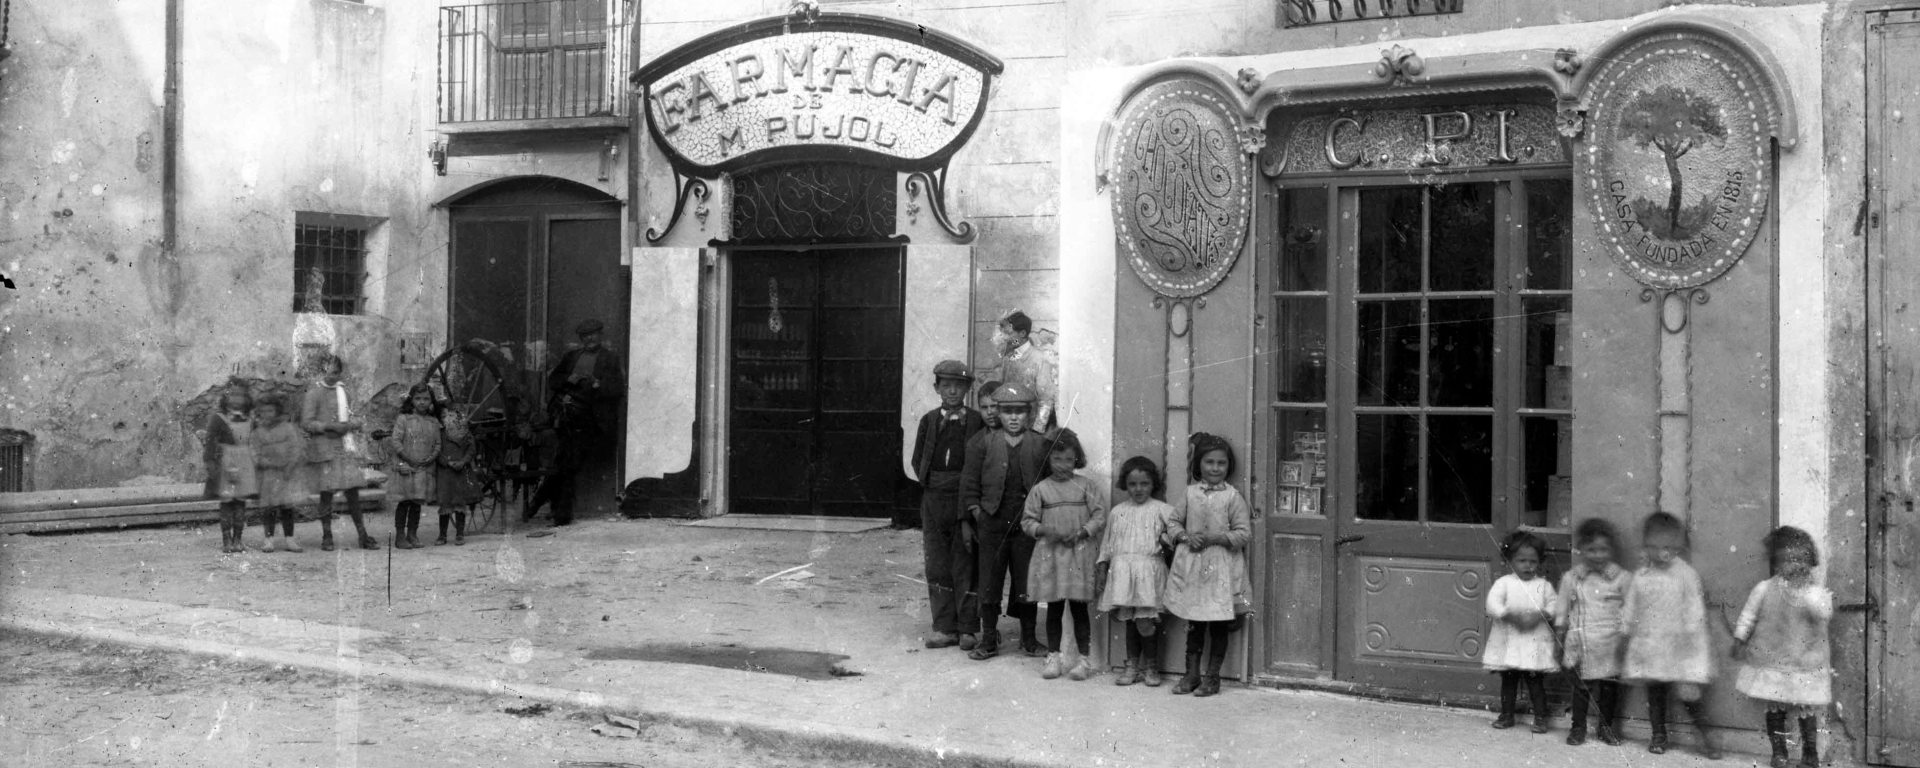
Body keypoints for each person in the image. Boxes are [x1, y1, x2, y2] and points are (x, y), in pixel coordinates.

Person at [960, 381, 1051, 661]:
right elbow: (969, 482)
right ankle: (988, 639)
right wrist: (977, 513)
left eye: (1020, 412)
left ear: (1030, 414)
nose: (1013, 417)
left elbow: (1049, 483)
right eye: (1007, 411)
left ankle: (1028, 638)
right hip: (992, 524)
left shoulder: (1040, 444)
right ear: (997, 413)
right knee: (990, 580)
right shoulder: (981, 443)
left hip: (1026, 526)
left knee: (1027, 581)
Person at [1731, 526, 1833, 768]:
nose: (1797, 566)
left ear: (1811, 562)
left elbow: (1824, 613)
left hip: (1804, 662)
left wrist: (1807, 594)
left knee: (1805, 708)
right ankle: (1779, 753)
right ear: (1777, 563)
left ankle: (1810, 755)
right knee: (1775, 707)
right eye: (1789, 560)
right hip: (1772, 660)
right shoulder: (1764, 589)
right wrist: (1739, 638)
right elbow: (1748, 615)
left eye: (1802, 560)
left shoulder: (1814, 592)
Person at [1622, 511, 1721, 758]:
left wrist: (1690, 631)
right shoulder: (1641, 576)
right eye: (1655, 547)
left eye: (1668, 546)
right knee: (1655, 692)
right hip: (1653, 644)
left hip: (1681, 645)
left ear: (1678, 546)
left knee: (1689, 694)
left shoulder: (1685, 573)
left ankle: (1705, 735)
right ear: (1646, 546)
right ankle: (1658, 734)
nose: (1663, 553)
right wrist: (1625, 630)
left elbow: (1694, 605)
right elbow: (1631, 606)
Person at [1163, 432, 1252, 697]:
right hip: (1193, 567)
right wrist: (1185, 536)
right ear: (1199, 464)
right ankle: (1192, 675)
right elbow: (1172, 522)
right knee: (1195, 623)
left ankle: (1213, 678)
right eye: (1209, 462)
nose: (1215, 468)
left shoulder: (1232, 497)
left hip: (1221, 568)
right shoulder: (1190, 494)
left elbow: (1243, 533)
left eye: (1221, 463)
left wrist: (1216, 537)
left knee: (1218, 623)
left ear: (1228, 466)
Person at [910, 360, 987, 650]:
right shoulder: (929, 421)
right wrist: (933, 484)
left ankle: (968, 627)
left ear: (968, 389)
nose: (952, 391)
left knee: (966, 561)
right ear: (936, 388)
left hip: (964, 497)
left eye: (959, 386)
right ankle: (944, 626)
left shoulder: (976, 421)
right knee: (937, 563)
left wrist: (968, 496)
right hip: (934, 498)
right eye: (946, 386)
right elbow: (918, 461)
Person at [1020, 428, 1105, 681]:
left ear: (1077, 459)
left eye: (1069, 459)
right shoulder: (1041, 490)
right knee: (1054, 609)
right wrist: (1044, 529)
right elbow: (1027, 521)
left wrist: (1082, 532)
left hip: (1079, 554)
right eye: (1057, 459)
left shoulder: (1086, 486)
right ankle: (1054, 657)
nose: (1063, 465)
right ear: (1048, 459)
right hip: (1051, 555)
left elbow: (1099, 515)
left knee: (1079, 610)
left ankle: (1084, 661)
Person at [531, 319, 624, 527]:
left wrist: (598, 383)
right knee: (564, 464)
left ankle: (549, 509)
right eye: (585, 336)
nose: (589, 339)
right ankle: (553, 510)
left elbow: (617, 390)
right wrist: (569, 379)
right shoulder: (572, 357)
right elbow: (554, 381)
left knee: (567, 465)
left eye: (593, 335)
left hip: (591, 421)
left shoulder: (609, 359)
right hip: (566, 418)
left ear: (600, 335)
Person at [1098, 455, 1175, 687]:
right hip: (1123, 572)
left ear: (1153, 484)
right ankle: (1131, 665)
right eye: (1132, 484)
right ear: (1125, 484)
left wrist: (1167, 542)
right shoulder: (1117, 511)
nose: (1138, 489)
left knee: (1146, 621)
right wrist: (1103, 567)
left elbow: (1176, 540)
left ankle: (1151, 666)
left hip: (1149, 572)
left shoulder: (1163, 510)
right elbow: (1108, 544)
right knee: (1130, 621)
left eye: (1144, 483)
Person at [1555, 518, 1633, 746]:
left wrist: (1626, 636)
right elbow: (1562, 608)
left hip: (1611, 643)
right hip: (1582, 643)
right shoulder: (1572, 578)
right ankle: (1577, 727)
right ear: (1581, 550)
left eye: (1603, 549)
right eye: (1591, 550)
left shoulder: (1622, 578)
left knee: (1609, 689)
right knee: (1581, 688)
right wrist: (1559, 633)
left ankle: (1606, 728)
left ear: (1611, 550)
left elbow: (1630, 609)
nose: (1598, 555)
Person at [300, 354, 379, 551]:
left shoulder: (345, 392)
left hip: (344, 449)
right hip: (325, 450)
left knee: (353, 493)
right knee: (326, 494)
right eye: (328, 372)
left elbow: (358, 417)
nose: (332, 376)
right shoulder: (314, 393)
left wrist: (350, 425)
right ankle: (327, 536)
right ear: (321, 371)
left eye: (335, 372)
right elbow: (306, 423)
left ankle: (363, 535)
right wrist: (330, 426)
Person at [1485, 530, 1559, 733]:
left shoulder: (1542, 586)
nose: (1528, 566)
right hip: (1510, 641)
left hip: (1533, 642)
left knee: (1535, 683)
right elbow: (1492, 604)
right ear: (1510, 561)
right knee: (1509, 682)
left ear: (1539, 562)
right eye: (1522, 561)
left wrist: (1543, 613)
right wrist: (1507, 614)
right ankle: (1507, 714)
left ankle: (1541, 718)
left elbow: (1554, 604)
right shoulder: (1504, 583)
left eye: (1533, 561)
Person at [379, 384, 441, 550]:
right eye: (418, 399)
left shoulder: (433, 421)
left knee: (416, 503)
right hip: (406, 467)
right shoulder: (404, 419)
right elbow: (396, 442)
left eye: (426, 399)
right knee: (404, 501)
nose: (422, 402)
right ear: (411, 400)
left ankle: (412, 534)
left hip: (423, 468)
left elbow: (437, 444)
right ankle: (400, 536)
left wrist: (430, 458)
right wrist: (407, 459)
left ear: (431, 401)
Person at [202, 384, 258, 554]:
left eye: (240, 396)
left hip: (245, 466)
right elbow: (210, 443)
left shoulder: (250, 420)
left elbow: (256, 442)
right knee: (226, 504)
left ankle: (238, 539)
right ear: (225, 398)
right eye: (232, 395)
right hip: (225, 465)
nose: (236, 399)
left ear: (246, 399)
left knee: (240, 503)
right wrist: (211, 464)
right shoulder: (218, 419)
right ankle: (226, 540)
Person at [250, 396, 308, 553]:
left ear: (277, 411)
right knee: (269, 508)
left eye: (271, 410)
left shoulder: (288, 428)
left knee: (287, 508)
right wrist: (265, 463)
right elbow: (254, 452)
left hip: (285, 474)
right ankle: (268, 540)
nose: (267, 414)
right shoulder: (257, 432)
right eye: (264, 411)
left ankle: (290, 539)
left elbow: (295, 448)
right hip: (268, 474)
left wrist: (289, 466)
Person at [993, 311, 1057, 432]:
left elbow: (1046, 400)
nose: (1005, 338)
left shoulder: (1040, 359)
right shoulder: (1007, 359)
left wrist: (1037, 431)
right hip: (1008, 429)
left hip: (1031, 431)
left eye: (1009, 334)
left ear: (1022, 333)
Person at [435, 405, 485, 546]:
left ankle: (460, 534)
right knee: (445, 503)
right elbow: (436, 451)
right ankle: (442, 535)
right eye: (444, 417)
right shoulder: (440, 434)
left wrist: (463, 461)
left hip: (461, 472)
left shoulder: (465, 433)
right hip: (445, 473)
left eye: (451, 416)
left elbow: (471, 449)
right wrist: (446, 462)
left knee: (460, 502)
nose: (448, 419)